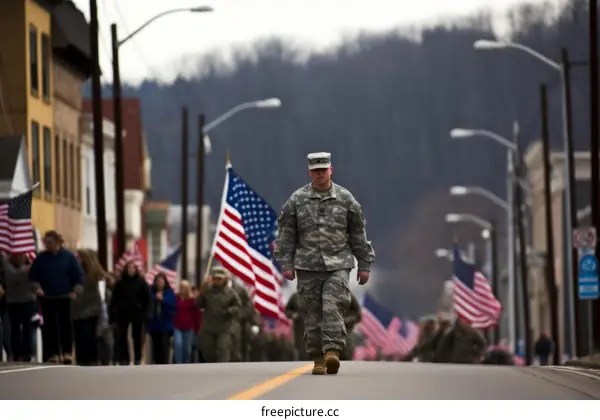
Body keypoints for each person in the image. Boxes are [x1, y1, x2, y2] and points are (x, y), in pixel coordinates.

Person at [274, 152, 375, 375]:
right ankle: (318, 357)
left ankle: (332, 351)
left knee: (333, 306)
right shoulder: (297, 200)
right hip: (307, 266)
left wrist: (364, 264)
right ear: (310, 172)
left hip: (338, 264)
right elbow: (286, 234)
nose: (320, 174)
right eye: (316, 171)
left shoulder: (346, 199)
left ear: (331, 170)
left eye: (324, 170)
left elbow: (358, 234)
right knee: (312, 313)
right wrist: (286, 263)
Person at [29, 231, 84, 364]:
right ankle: (52, 354)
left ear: (58, 242)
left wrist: (76, 291)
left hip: (65, 296)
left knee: (65, 325)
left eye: (50, 242)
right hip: (47, 297)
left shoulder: (68, 257)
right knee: (49, 326)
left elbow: (78, 276)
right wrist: (37, 288)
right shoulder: (41, 258)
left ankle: (67, 353)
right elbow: (33, 276)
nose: (47, 245)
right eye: (46, 242)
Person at [109, 261, 151, 365]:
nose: (131, 270)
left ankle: (137, 358)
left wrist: (146, 313)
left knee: (136, 337)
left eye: (133, 268)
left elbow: (148, 299)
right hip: (123, 313)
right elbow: (114, 299)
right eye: (129, 268)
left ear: (136, 270)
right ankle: (124, 358)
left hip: (137, 313)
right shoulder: (120, 283)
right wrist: (114, 312)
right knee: (122, 336)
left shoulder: (141, 282)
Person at [196, 266, 241, 363]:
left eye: (220, 278)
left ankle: (223, 370)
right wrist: (201, 292)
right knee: (208, 351)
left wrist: (229, 311)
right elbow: (198, 304)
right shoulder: (207, 291)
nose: (217, 280)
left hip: (224, 327)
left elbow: (238, 306)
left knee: (223, 348)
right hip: (208, 327)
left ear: (224, 279)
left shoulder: (231, 293)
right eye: (215, 278)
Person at [71, 249, 104, 366]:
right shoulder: (73, 271)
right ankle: (81, 360)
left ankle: (92, 360)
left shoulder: (91, 271)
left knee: (89, 335)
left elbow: (102, 276)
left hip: (91, 307)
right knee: (79, 336)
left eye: (78, 257)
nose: (76, 259)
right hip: (76, 308)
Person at [3, 253, 35, 362]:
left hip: (28, 301)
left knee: (28, 328)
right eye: (18, 255)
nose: (20, 258)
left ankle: (27, 353)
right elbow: (14, 276)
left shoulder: (32, 267)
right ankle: (16, 353)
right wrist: (29, 268)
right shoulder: (8, 268)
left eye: (22, 255)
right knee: (14, 329)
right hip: (13, 301)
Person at [147, 273, 176, 364]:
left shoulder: (169, 292)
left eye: (161, 281)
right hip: (154, 326)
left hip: (165, 325)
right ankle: (156, 363)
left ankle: (164, 363)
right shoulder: (152, 292)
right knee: (155, 347)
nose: (159, 283)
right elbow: (148, 304)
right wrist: (155, 298)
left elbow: (172, 306)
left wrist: (162, 300)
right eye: (158, 281)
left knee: (164, 346)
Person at [173, 280, 200, 364]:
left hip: (189, 326)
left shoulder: (192, 300)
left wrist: (197, 328)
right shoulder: (176, 298)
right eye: (181, 287)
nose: (182, 289)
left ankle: (186, 362)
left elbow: (196, 314)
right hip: (177, 325)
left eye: (184, 287)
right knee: (178, 344)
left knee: (187, 348)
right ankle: (178, 363)